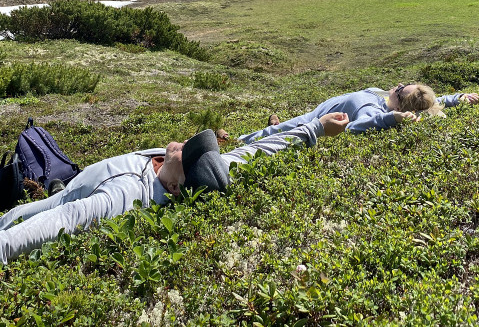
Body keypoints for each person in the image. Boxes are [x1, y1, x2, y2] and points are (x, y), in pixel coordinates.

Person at [0, 113, 350, 264]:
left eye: (188, 153)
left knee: (15, 217)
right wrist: (316, 128)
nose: (184, 144)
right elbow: (256, 150)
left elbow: (66, 217)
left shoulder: (129, 195)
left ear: (177, 189)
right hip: (75, 183)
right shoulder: (213, 169)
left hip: (65, 196)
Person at [237, 83, 479, 143]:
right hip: (318, 110)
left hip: (313, 120)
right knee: (277, 128)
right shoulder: (387, 99)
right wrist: (457, 98)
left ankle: (236, 143)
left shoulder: (373, 110)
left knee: (275, 132)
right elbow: (429, 104)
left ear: (398, 105)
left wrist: (391, 119)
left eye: (398, 89)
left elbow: (357, 126)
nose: (396, 86)